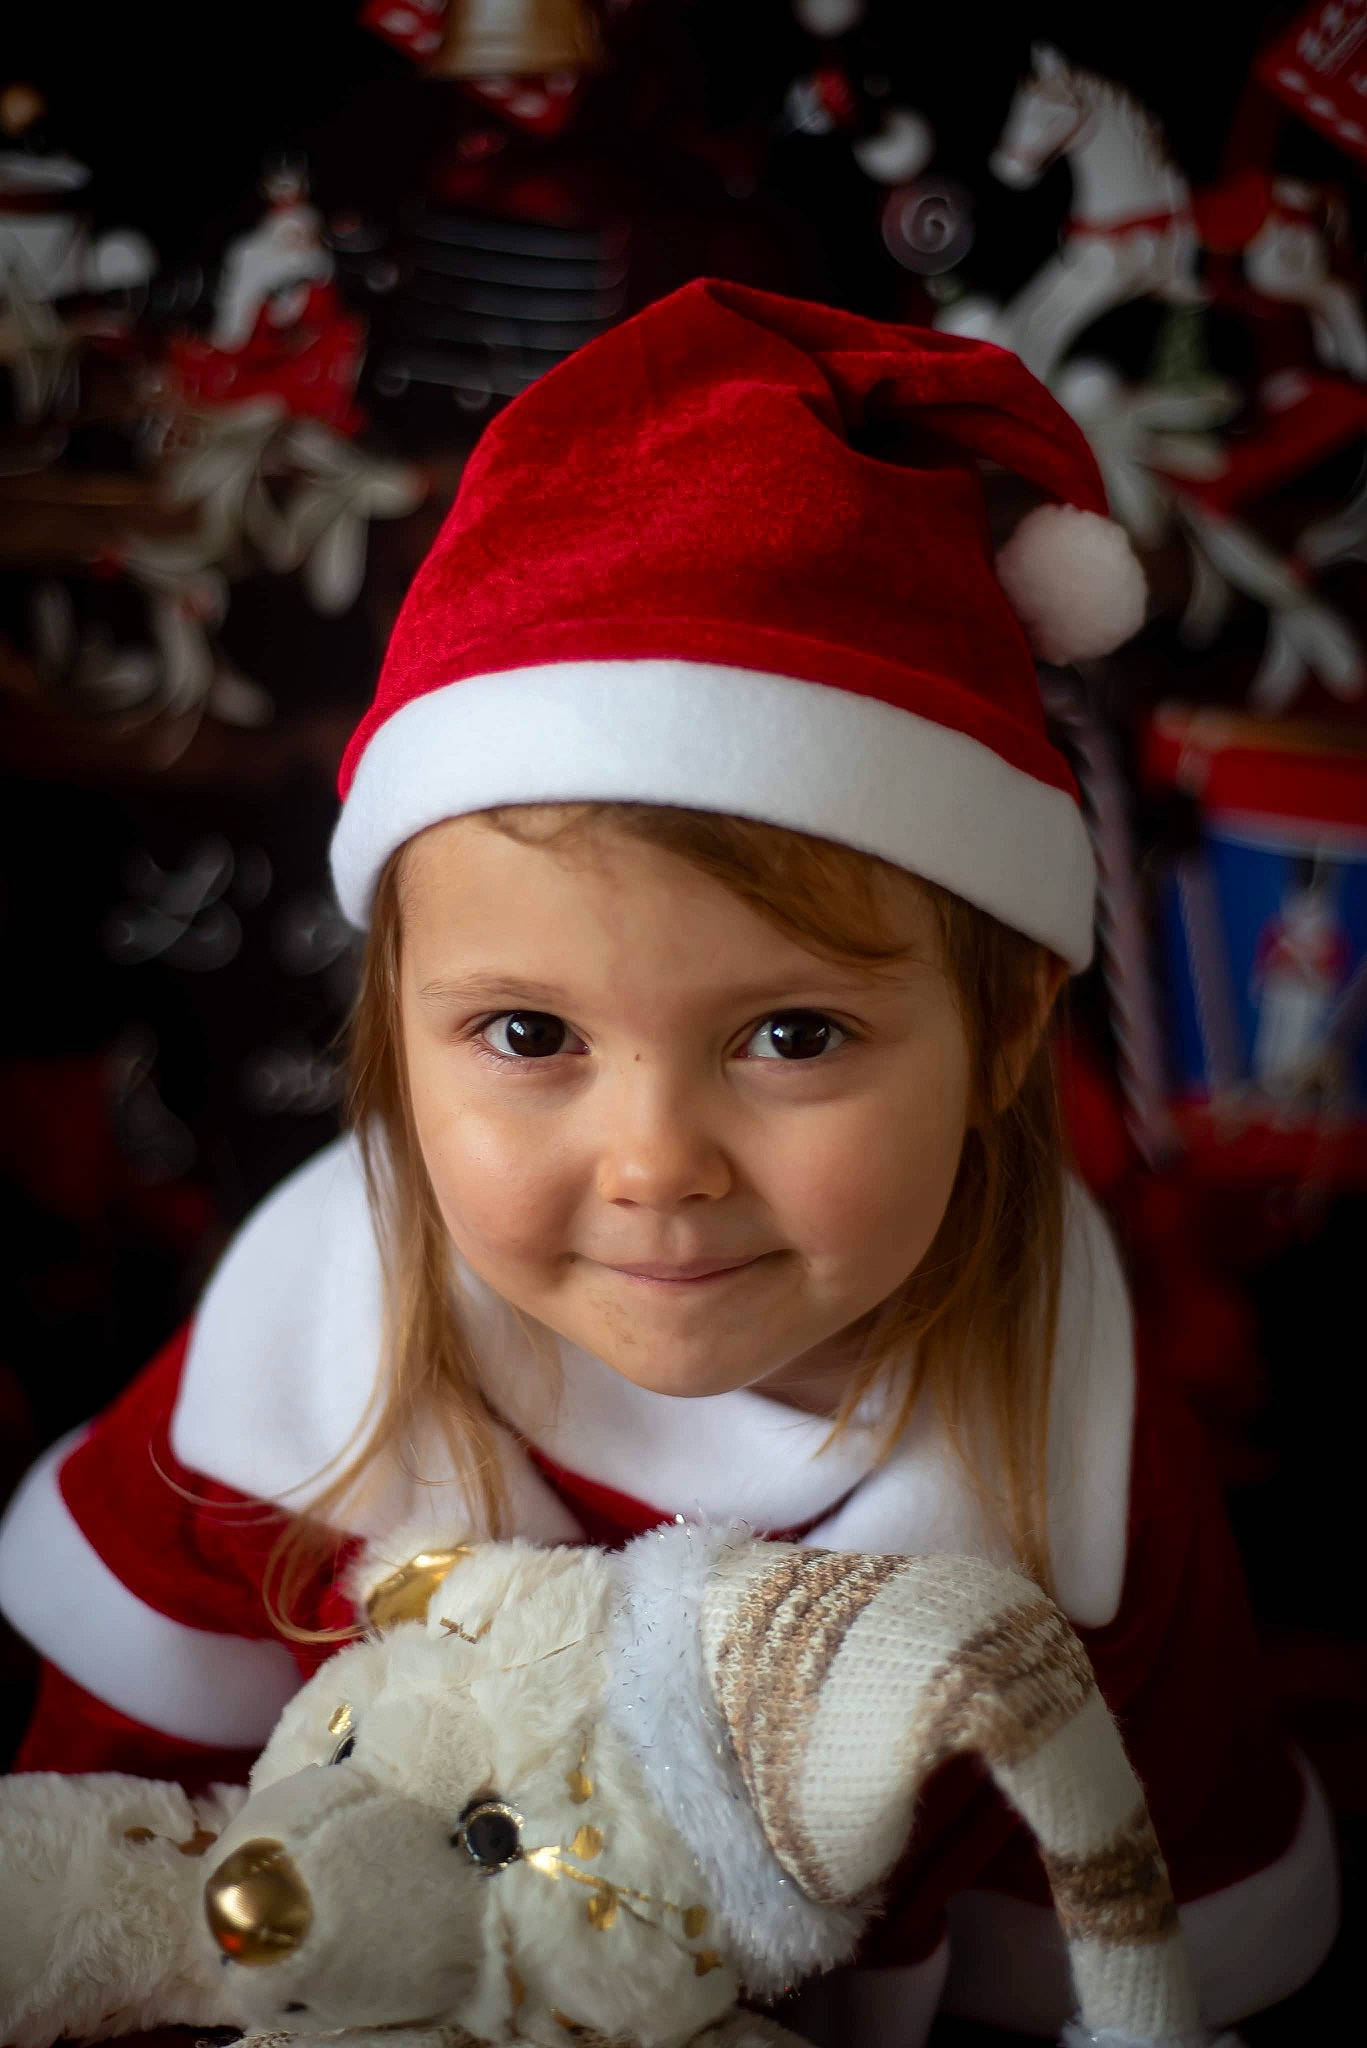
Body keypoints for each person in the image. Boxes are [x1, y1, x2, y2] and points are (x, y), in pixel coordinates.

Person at [0, 279, 1338, 2044]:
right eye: (530, 1037)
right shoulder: (291, 1384)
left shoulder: (1077, 1479)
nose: (653, 1165)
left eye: (791, 1037)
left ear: (1006, 1028)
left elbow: (1141, 1954)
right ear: (394, 1022)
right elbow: (83, 1890)